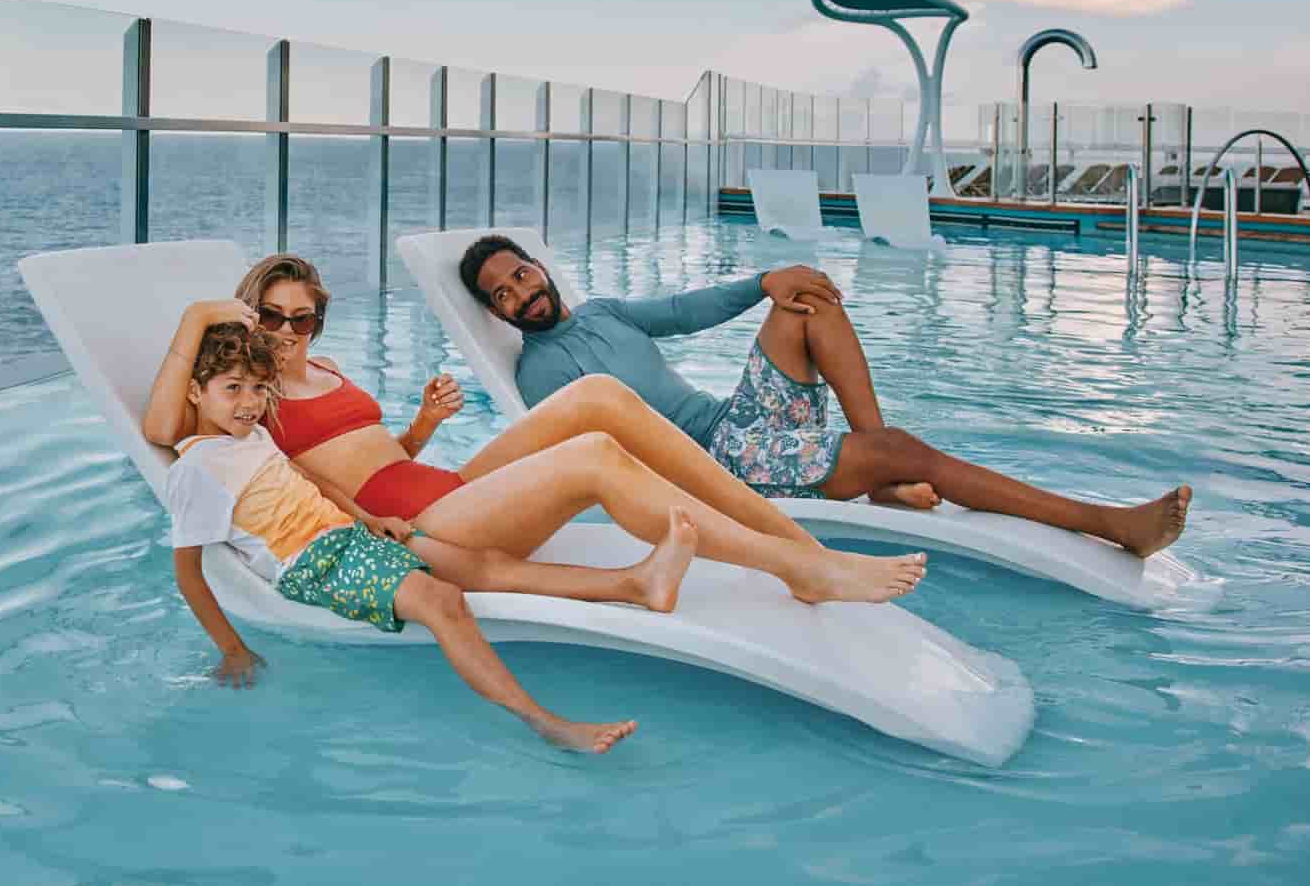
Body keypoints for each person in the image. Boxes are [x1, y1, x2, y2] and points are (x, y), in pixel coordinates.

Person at [141, 255, 928, 608]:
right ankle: (796, 567)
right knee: (592, 457)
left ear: (319, 319)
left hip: (441, 483)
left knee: (600, 396)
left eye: (301, 316)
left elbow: (377, 456)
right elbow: (160, 424)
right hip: (412, 525)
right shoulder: (241, 397)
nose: (287, 329)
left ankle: (802, 550)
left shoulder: (328, 366)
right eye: (271, 314)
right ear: (249, 313)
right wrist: (196, 318)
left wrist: (418, 427)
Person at [456, 234, 1192, 558]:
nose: (520, 295)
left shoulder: (604, 311)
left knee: (806, 298)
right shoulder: (537, 380)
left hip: (735, 422)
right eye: (502, 296)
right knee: (897, 449)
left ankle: (887, 480)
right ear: (495, 316)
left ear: (540, 270)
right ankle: (1106, 523)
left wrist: (763, 281)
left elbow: (683, 312)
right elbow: (587, 459)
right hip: (719, 469)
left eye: (521, 276)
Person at [168, 322, 684, 751]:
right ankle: (545, 722)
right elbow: (188, 569)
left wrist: (367, 518)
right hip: (315, 561)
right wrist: (231, 648)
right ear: (196, 391)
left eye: (259, 388)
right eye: (232, 388)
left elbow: (312, 481)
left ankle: (635, 586)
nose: (250, 402)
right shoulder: (198, 469)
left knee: (481, 565)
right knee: (445, 602)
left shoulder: (254, 436)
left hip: (349, 532)